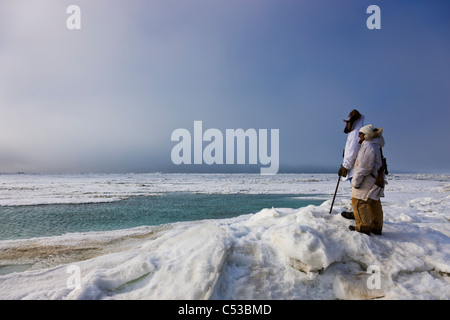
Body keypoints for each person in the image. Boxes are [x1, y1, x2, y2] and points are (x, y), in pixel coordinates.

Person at [349, 124, 385, 235]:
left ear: (365, 135)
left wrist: (356, 182)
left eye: (360, 134)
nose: (358, 136)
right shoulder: (375, 146)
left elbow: (364, 167)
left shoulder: (368, 147)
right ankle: (376, 227)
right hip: (375, 179)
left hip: (366, 180)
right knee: (374, 202)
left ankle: (363, 227)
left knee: (359, 202)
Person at [338, 109, 364, 219]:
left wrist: (345, 165)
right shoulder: (357, 132)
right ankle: (357, 213)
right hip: (355, 168)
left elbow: (352, 152)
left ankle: (358, 214)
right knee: (357, 192)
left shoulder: (355, 134)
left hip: (354, 169)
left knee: (357, 193)